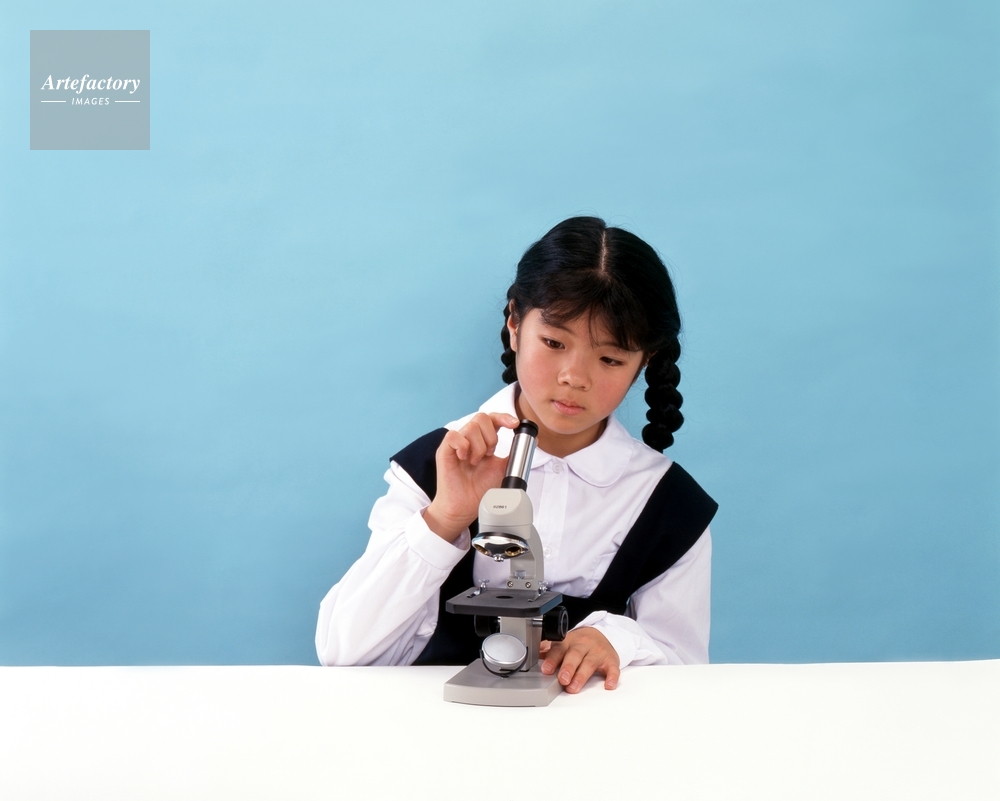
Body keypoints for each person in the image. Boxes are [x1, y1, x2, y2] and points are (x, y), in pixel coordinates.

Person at [316, 216, 718, 693]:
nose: (574, 377)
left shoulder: (670, 505)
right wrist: (444, 519)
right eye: (554, 343)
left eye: (610, 358)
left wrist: (617, 639)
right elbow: (343, 651)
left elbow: (685, 668)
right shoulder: (432, 466)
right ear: (514, 323)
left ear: (643, 362)